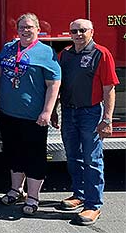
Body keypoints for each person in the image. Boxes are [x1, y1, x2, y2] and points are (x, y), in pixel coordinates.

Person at [0, 13, 61, 215]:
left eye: (29, 27)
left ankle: (33, 197)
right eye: (22, 27)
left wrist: (47, 111)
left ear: (38, 29)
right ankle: (15, 190)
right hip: (8, 112)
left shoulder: (46, 52)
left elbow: (54, 83)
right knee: (13, 153)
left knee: (34, 156)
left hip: (34, 117)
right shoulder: (8, 48)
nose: (25, 30)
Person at [58, 19, 119, 226]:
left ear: (92, 31)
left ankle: (93, 205)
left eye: (82, 30)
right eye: (74, 31)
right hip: (68, 112)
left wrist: (107, 119)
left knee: (92, 158)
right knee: (73, 156)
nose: (78, 34)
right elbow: (59, 85)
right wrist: (56, 111)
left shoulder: (101, 54)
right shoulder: (65, 54)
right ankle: (79, 194)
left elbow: (109, 88)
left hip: (90, 113)